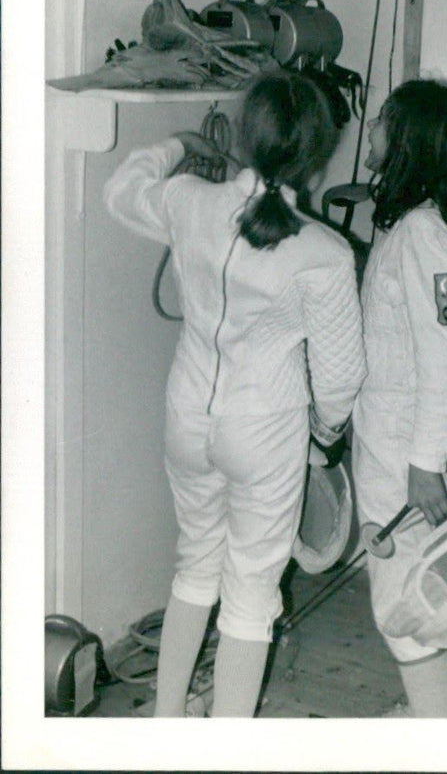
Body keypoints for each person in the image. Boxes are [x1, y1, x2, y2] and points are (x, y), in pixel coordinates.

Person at [103, 70, 366, 717]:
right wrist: (327, 433)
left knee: (195, 567)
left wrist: (175, 140)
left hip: (188, 416)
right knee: (250, 595)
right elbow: (339, 379)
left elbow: (120, 191)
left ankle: (167, 726)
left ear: (245, 134)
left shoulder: (190, 199)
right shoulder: (325, 252)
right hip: (267, 429)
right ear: (314, 152)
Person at [351, 78, 447, 718]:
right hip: (388, 440)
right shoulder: (405, 225)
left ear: (408, 145)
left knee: (399, 607)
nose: (369, 131)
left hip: (407, 454)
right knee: (397, 590)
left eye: (380, 123)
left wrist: (426, 462)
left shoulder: (426, 237)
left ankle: (436, 731)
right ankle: (426, 715)